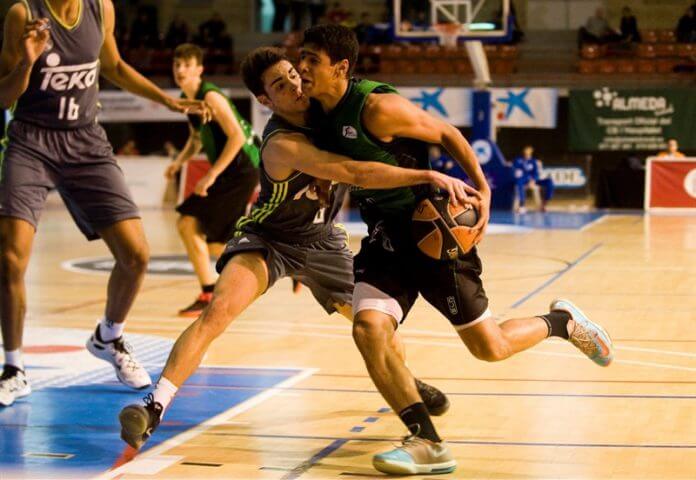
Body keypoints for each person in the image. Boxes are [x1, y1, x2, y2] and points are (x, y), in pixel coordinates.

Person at [298, 24, 614, 475]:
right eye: (301, 58)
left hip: (432, 234)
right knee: (369, 329)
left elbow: (446, 133)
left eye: (312, 59)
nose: (302, 67)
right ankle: (426, 440)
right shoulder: (314, 113)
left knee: (490, 347)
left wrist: (483, 189)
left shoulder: (377, 108)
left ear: (340, 68)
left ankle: (560, 323)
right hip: (385, 236)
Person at [117, 46, 470, 449]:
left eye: (294, 76)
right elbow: (351, 171)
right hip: (271, 239)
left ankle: (406, 382)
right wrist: (424, 174)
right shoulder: (281, 142)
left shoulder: (326, 111)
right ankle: (153, 407)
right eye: (280, 86)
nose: (295, 87)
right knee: (217, 311)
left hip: (321, 242)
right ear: (265, 100)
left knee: (377, 324)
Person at [0, 0, 206, 407]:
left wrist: (168, 101)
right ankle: (13, 367)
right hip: (31, 141)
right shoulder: (23, 14)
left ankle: (108, 337)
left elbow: (114, 66)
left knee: (136, 254)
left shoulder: (102, 8)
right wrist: (26, 62)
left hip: (85, 139)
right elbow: (5, 97)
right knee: (10, 259)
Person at [167, 44, 260, 317]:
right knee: (213, 241)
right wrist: (179, 162)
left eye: (186, 65)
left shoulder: (211, 97)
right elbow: (196, 139)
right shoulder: (189, 99)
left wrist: (210, 174)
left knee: (188, 223)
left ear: (199, 69)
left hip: (241, 167)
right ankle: (282, 267)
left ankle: (209, 291)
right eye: (176, 65)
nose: (180, 70)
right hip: (232, 170)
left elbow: (238, 137)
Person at [512, 145, 554, 213]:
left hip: (533, 181)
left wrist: (533, 180)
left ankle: (544, 204)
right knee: (519, 182)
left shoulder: (533, 161)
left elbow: (536, 173)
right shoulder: (518, 160)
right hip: (523, 181)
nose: (527, 153)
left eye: (529, 152)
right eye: (526, 152)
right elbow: (516, 173)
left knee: (549, 181)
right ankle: (522, 205)